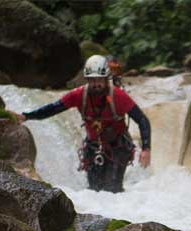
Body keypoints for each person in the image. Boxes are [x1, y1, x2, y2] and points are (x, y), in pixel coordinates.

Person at [15, 55, 151, 193]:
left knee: (112, 188)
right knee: (93, 191)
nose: (96, 84)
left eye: (100, 80)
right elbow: (53, 108)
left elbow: (142, 120)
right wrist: (26, 116)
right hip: (93, 146)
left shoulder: (118, 96)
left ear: (106, 79)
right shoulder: (78, 95)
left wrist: (146, 149)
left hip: (118, 146)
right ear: (87, 79)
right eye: (92, 80)